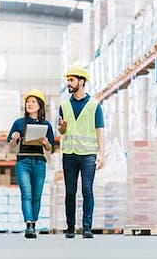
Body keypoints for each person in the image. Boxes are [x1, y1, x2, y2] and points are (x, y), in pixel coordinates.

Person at [58, 66, 105, 239]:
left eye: (71, 80)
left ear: (82, 81)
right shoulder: (63, 105)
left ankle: (87, 228)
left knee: (87, 190)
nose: (68, 83)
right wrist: (61, 128)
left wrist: (102, 155)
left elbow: (100, 131)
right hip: (69, 154)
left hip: (88, 154)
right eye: (68, 80)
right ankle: (70, 228)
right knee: (70, 191)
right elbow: (61, 131)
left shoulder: (94, 105)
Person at [7, 89, 54, 239]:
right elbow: (11, 145)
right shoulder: (19, 123)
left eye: (33, 101)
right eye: (27, 101)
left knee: (36, 196)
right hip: (23, 162)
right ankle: (28, 225)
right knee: (26, 194)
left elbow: (50, 148)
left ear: (40, 105)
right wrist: (14, 139)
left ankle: (34, 223)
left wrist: (46, 142)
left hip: (39, 162)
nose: (29, 104)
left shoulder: (46, 125)